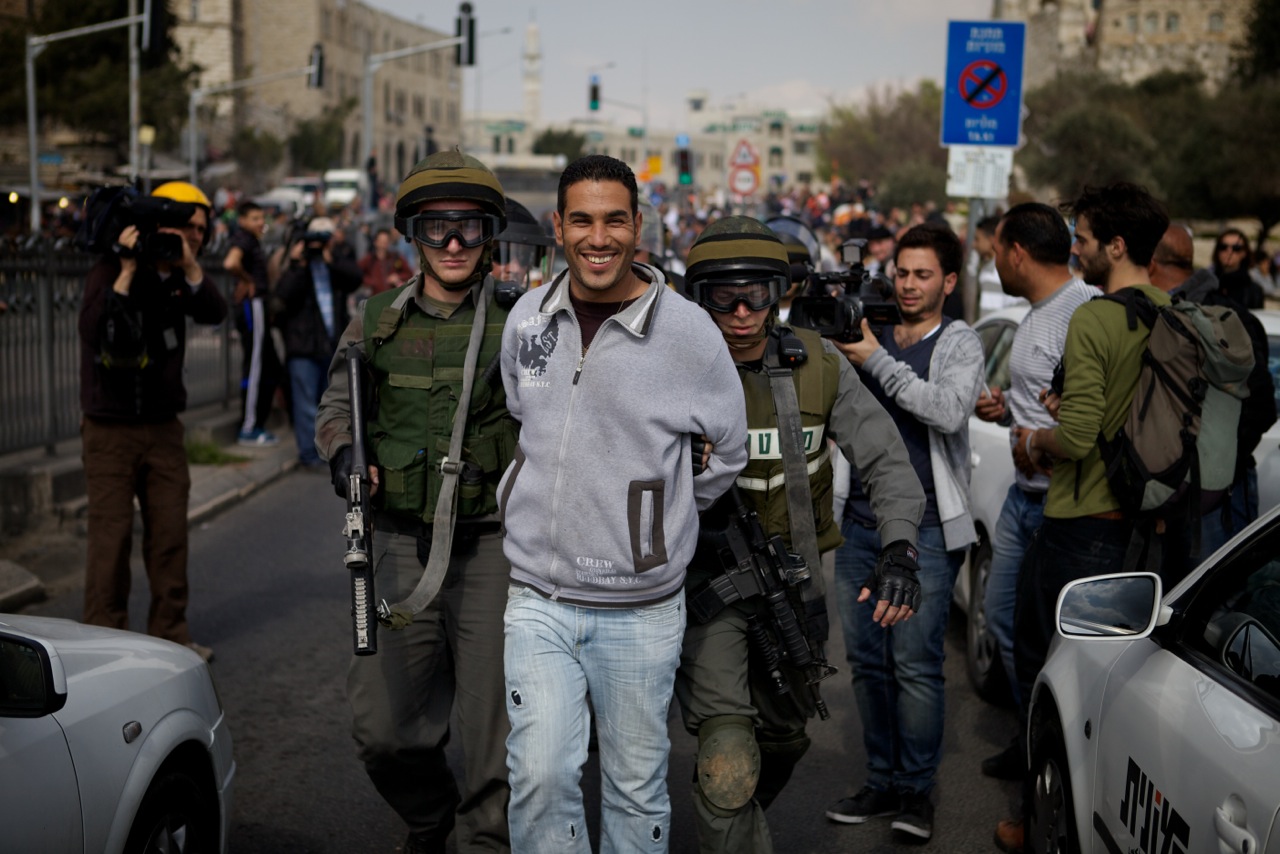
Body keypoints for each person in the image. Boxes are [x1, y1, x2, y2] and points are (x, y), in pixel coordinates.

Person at [498, 154, 749, 853]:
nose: (598, 237)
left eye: (615, 220)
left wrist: (658, 520)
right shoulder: (528, 317)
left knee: (635, 790)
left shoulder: (689, 331)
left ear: (639, 226)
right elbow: (527, 414)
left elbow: (728, 448)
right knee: (541, 777)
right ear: (558, 226)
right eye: (582, 219)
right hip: (538, 601)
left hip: (639, 610)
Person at [675, 216, 926, 853]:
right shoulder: (667, 369)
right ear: (695, 297)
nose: (739, 311)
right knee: (729, 755)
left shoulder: (817, 364)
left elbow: (887, 461)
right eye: (720, 295)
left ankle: (729, 817)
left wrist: (898, 548)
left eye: (756, 293)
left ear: (780, 293)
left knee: (783, 739)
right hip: (705, 586)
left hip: (794, 586)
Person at [314, 151, 517, 854]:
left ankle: (487, 841)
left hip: (497, 547)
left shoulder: (524, 325)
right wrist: (344, 452)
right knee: (383, 729)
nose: (455, 243)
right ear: (413, 236)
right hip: (400, 543)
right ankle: (431, 822)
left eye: (469, 227)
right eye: (438, 228)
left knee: (498, 731)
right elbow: (337, 403)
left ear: (490, 233)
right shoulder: (376, 321)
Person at [995, 182, 1172, 854]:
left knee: (1054, 680)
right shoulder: (1166, 308)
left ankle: (1039, 821)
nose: (1079, 250)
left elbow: (1077, 436)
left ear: (1118, 246)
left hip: (1081, 520)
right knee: (1109, 686)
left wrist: (1031, 440)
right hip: (1140, 522)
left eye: (1088, 239)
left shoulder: (1096, 317)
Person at [825, 222, 986, 842]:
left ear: (949, 280)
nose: (909, 285)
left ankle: (917, 792)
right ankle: (882, 780)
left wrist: (878, 362)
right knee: (866, 664)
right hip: (859, 525)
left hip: (923, 535)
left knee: (915, 665)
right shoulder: (863, 330)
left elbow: (947, 410)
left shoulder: (960, 341)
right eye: (902, 272)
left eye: (923, 274)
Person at [971, 203, 1096, 780]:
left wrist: (1035, 445)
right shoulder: (1035, 313)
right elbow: (1039, 403)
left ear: (1017, 252)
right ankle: (1029, 742)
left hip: (1056, 504)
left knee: (1045, 640)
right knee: (1001, 621)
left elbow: (1087, 423)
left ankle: (1049, 762)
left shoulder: (1081, 313)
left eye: (997, 249)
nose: (993, 260)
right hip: (1022, 501)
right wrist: (1005, 413)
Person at [78, 181, 227, 662]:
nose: (196, 236)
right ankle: (104, 642)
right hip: (110, 429)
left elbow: (215, 310)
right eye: (187, 227)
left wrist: (186, 264)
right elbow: (93, 328)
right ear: (158, 224)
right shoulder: (109, 268)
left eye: (202, 230)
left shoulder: (177, 277)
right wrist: (125, 270)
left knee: (169, 536)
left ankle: (171, 636)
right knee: (111, 537)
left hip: (164, 427)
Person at [1146, 223, 1276, 582]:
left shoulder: (1226, 315)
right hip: (1170, 496)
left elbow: (1261, 404)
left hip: (1216, 501)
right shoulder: (1155, 310)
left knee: (1215, 610)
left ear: (1152, 262)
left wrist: (1215, 466)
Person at [273, 216, 362, 469]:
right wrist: (297, 263)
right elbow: (283, 296)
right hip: (302, 346)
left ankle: (331, 452)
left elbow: (355, 278)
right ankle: (309, 456)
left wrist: (329, 258)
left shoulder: (336, 261)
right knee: (304, 404)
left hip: (331, 345)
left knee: (332, 403)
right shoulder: (296, 266)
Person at [223, 199, 282, 446]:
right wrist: (247, 281)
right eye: (255, 218)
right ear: (243, 220)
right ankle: (248, 427)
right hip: (251, 306)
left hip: (259, 306)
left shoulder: (252, 240)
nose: (260, 223)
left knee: (270, 366)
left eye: (262, 218)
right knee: (256, 365)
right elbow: (230, 263)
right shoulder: (243, 239)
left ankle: (256, 423)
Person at [1212, 227, 1265, 309]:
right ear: (1217, 251)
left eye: (1236, 248)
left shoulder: (1254, 291)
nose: (1229, 252)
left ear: (1244, 253)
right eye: (1223, 247)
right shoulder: (1205, 285)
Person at [358, 227, 411, 297]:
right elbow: (357, 273)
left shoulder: (395, 257)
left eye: (386, 241)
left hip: (393, 298)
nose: (384, 244)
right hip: (375, 298)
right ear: (375, 242)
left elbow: (409, 273)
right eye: (381, 241)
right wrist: (371, 282)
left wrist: (398, 277)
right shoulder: (369, 259)